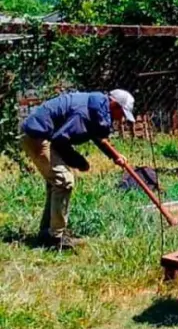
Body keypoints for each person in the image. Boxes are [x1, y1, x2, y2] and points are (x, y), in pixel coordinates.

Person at [20, 89, 136, 250]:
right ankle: (55, 238)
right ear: (114, 104)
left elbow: (97, 135)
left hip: (42, 134)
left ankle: (47, 234)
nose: (121, 118)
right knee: (64, 181)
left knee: (56, 183)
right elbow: (60, 140)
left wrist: (114, 155)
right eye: (121, 113)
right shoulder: (84, 113)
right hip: (37, 136)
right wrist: (79, 161)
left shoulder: (96, 107)